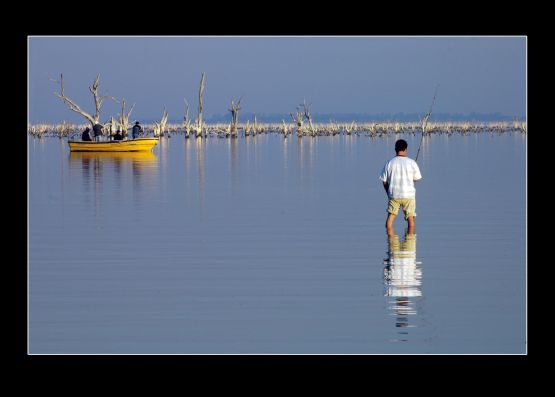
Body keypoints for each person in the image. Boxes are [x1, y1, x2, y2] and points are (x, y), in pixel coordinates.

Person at [379, 139, 422, 234]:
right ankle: (410, 244)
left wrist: (388, 193)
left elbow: (384, 181)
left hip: (394, 195)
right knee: (411, 219)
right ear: (406, 149)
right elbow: (417, 178)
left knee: (390, 219)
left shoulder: (389, 163)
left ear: (395, 149)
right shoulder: (412, 163)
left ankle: (390, 241)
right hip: (409, 196)